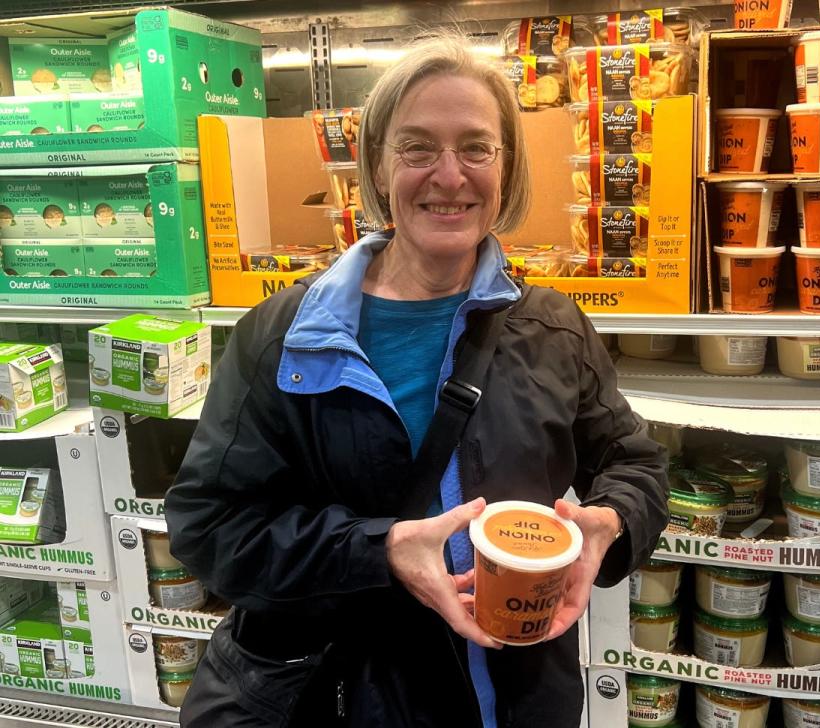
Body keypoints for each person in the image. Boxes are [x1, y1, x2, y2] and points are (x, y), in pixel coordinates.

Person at [165, 33, 669, 728]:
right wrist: (381, 550)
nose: (449, 175)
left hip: (521, 697)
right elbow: (210, 527)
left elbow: (634, 461)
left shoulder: (551, 329)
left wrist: (609, 522)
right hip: (349, 700)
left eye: (475, 147)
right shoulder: (286, 336)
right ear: (377, 164)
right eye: (418, 148)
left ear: (507, 165)